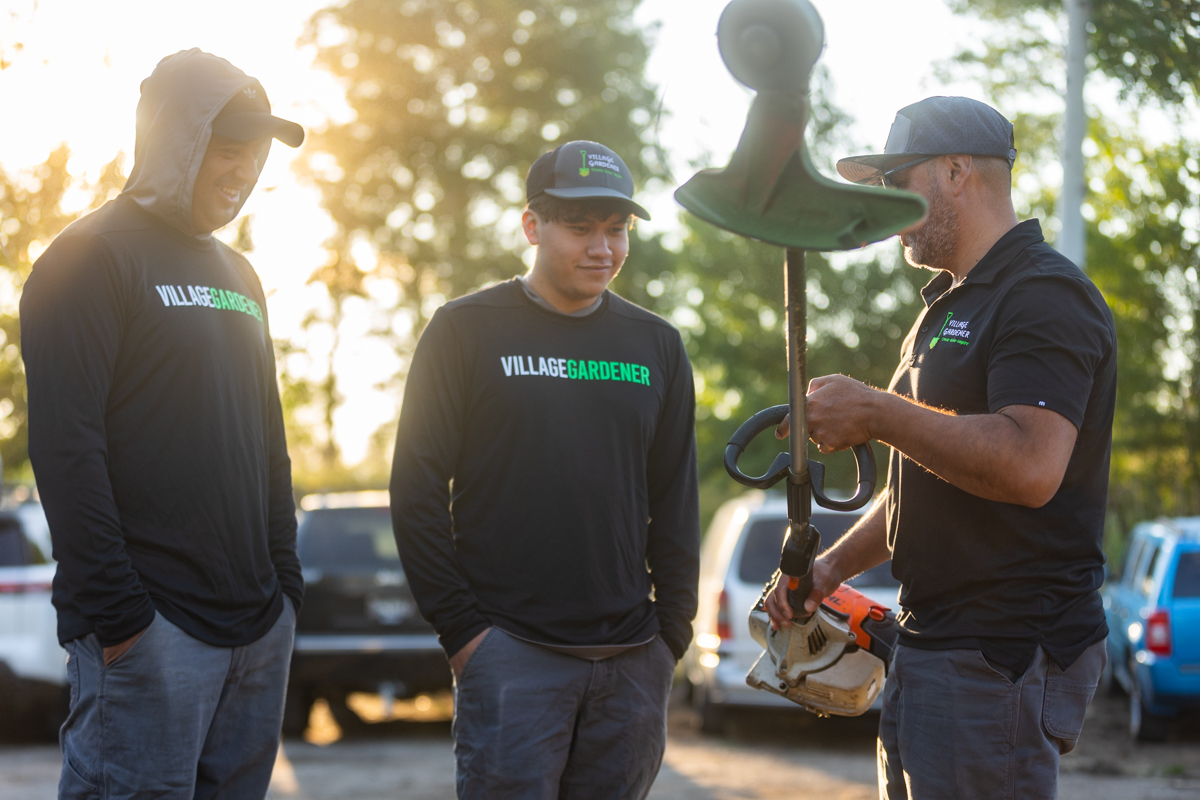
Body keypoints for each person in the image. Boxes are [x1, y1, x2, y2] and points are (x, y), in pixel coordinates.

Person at [766, 97, 1116, 799]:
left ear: (957, 172)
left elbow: (1027, 465)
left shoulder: (1042, 294)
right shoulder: (949, 306)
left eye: (900, 179)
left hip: (996, 657)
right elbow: (924, 481)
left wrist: (876, 409)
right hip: (934, 645)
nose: (886, 201)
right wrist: (831, 568)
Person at [20, 49, 306, 800]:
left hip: (255, 631)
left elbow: (266, 442)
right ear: (176, 136)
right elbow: (65, 449)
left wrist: (286, 593)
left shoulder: (241, 276)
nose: (245, 168)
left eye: (257, 151)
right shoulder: (87, 257)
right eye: (228, 144)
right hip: (153, 634)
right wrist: (123, 619)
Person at [390, 140, 700, 798]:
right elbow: (415, 491)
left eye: (616, 231)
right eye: (581, 228)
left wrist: (671, 632)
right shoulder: (464, 331)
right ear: (533, 226)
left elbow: (675, 500)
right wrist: (466, 634)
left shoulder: (657, 346)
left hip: (631, 659)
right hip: (512, 654)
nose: (602, 249)